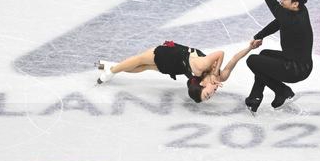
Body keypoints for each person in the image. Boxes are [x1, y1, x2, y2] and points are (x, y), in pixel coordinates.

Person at [245, 0, 313, 114]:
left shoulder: (290, 18)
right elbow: (279, 22)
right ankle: (254, 98)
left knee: (252, 61)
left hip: (295, 70)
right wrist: (259, 36)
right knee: (264, 55)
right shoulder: (301, 10)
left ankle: (283, 91)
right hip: (300, 63)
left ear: (295, 3)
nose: (281, 1)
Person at [95, 40, 260, 103]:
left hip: (175, 65)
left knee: (143, 66)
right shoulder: (208, 68)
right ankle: (112, 70)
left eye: (207, 95)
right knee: (139, 61)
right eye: (209, 96)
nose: (212, 94)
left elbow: (223, 56)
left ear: (203, 85)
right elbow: (226, 56)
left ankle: (114, 67)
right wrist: (249, 48)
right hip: (171, 54)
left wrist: (213, 75)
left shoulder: (202, 70)